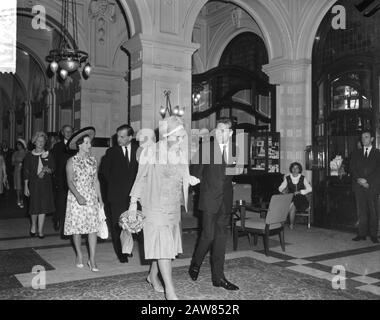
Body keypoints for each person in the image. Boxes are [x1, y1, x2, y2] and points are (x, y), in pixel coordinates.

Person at [129, 116, 199, 300]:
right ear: (168, 135)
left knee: (164, 247)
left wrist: (188, 179)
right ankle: (170, 290)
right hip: (153, 206)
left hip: (172, 206)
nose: (182, 140)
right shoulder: (150, 151)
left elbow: (181, 174)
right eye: (180, 136)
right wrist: (132, 203)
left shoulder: (179, 153)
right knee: (163, 247)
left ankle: (152, 276)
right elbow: (141, 178)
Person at [189, 118, 243, 291]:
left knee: (221, 239)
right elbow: (196, 174)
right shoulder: (206, 148)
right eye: (218, 130)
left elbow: (232, 173)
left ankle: (218, 277)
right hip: (209, 199)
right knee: (208, 236)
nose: (220, 133)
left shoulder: (235, 149)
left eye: (223, 130)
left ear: (231, 132)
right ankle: (196, 263)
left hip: (226, 200)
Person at [64, 127, 104, 271]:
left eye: (89, 143)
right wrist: (79, 196)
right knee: (78, 229)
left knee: (93, 229)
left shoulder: (93, 161)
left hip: (91, 197)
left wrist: (100, 199)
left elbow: (96, 181)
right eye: (86, 143)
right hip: (76, 198)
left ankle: (92, 260)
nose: (89, 145)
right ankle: (79, 254)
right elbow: (69, 182)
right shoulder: (71, 161)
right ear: (79, 144)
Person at [101, 124, 139, 263]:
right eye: (118, 136)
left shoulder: (139, 151)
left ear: (130, 137)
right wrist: (115, 184)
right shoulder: (111, 152)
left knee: (131, 224)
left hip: (134, 195)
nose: (119, 139)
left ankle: (127, 248)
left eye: (122, 136)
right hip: (116, 195)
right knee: (118, 224)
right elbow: (104, 172)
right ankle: (121, 253)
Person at [350, 130, 380, 243]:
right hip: (359, 186)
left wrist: (368, 182)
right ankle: (361, 234)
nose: (364, 139)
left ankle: (373, 235)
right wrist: (359, 180)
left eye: (366, 137)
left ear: (372, 139)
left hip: (372, 186)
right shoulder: (355, 153)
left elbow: (378, 171)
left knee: (373, 211)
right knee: (361, 211)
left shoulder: (378, 153)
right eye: (362, 137)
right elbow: (352, 169)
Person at [24, 132, 55, 238]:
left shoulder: (48, 154)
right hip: (33, 184)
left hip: (45, 184)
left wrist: (46, 169)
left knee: (43, 206)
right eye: (38, 141)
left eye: (43, 141)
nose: (41, 143)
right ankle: (33, 226)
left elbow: (52, 169)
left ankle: (41, 230)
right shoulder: (29, 155)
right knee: (34, 206)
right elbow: (26, 172)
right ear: (34, 142)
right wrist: (25, 186)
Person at [51, 125, 75, 232]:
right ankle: (58, 218)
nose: (68, 133)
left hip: (74, 178)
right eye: (66, 131)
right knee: (60, 200)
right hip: (61, 177)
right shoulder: (57, 146)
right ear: (62, 132)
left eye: (70, 131)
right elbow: (54, 162)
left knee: (71, 200)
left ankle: (69, 222)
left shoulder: (76, 146)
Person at [278, 162, 312, 229]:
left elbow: (310, 189)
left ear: (299, 170)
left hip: (301, 198)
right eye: (293, 168)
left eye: (297, 168)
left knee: (292, 203)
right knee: (292, 206)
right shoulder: (288, 178)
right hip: (291, 197)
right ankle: (291, 225)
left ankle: (281, 222)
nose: (295, 169)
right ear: (291, 169)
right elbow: (280, 188)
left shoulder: (303, 178)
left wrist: (300, 191)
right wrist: (283, 191)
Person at [12, 139, 27, 208]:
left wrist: (22, 162)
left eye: (20, 145)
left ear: (22, 145)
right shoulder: (15, 153)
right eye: (17, 145)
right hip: (16, 171)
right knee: (17, 186)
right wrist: (17, 162)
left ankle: (22, 199)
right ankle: (18, 199)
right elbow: (12, 163)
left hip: (24, 171)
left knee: (23, 186)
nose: (18, 146)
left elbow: (28, 162)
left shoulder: (26, 153)